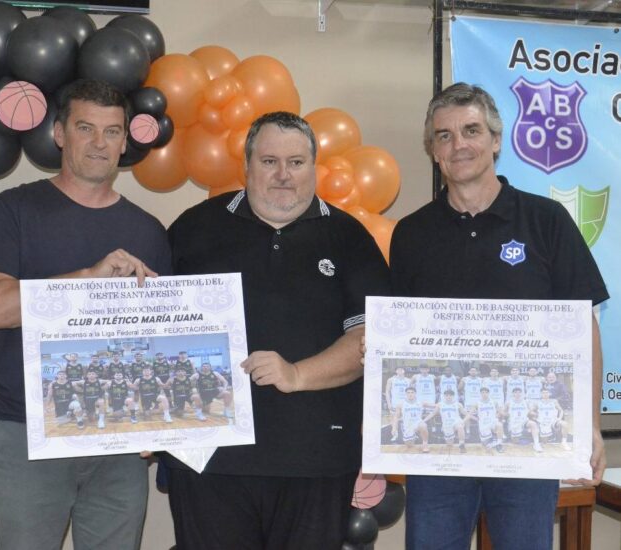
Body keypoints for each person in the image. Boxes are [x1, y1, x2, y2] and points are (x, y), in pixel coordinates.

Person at [388, 82, 608, 550]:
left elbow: (581, 326)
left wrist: (588, 423)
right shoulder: (411, 233)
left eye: (471, 130)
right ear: (433, 151)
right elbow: (395, 336)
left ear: (495, 140)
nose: (458, 144)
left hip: (525, 447)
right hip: (440, 450)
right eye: (444, 136)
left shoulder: (546, 220)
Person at [161, 111, 391, 549]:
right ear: (247, 166)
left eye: (296, 162)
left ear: (313, 167)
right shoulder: (194, 228)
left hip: (316, 461)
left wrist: (297, 374)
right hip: (207, 461)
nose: (283, 174)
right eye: (269, 161)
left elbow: (371, 339)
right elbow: (151, 329)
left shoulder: (349, 237)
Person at [0, 78, 172, 550]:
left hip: (120, 441)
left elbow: (160, 341)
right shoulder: (15, 209)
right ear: (60, 134)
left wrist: (160, 422)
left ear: (124, 142)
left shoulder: (149, 231)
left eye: (112, 131)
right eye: (86, 128)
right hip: (31, 434)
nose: (99, 143)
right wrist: (86, 280)